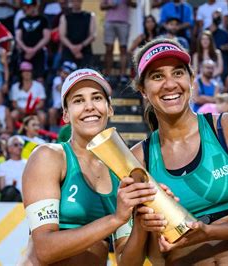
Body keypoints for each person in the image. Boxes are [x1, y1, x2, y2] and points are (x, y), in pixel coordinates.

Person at [121, 38, 228, 265]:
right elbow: (127, 262)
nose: (170, 84)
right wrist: (142, 226)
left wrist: (210, 232)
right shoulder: (137, 159)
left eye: (178, 73)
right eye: (157, 76)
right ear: (143, 90)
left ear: (192, 79)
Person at [19, 68, 157, 265]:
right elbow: (44, 249)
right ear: (65, 115)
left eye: (97, 98)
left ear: (110, 108)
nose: (89, 106)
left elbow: (127, 262)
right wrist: (116, 219)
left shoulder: (121, 171)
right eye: (78, 100)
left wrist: (141, 225)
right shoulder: (49, 157)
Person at [16, 0, 50, 81]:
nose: (25, 8)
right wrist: (26, 49)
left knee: (39, 79)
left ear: (35, 6)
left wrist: (34, 50)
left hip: (39, 54)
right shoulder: (22, 20)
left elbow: (46, 37)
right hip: (25, 54)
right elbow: (18, 37)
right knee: (24, 78)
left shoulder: (43, 19)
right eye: (24, 6)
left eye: (28, 7)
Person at [100, 0, 131, 83]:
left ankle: (123, 75)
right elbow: (101, 6)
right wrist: (110, 5)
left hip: (124, 22)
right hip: (109, 22)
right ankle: (107, 74)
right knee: (109, 48)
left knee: (123, 48)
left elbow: (134, 4)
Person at [59, 0, 97, 68]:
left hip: (85, 52)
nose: (76, 3)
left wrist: (80, 46)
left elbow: (93, 35)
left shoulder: (90, 16)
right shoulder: (64, 17)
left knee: (85, 76)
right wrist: (72, 48)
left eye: (78, 1)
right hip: (68, 52)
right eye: (74, 1)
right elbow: (62, 36)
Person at [10, 61, 46, 127]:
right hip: (20, 111)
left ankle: (41, 134)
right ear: (21, 73)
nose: (27, 73)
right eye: (24, 71)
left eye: (29, 71)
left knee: (42, 116)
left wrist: (34, 109)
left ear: (32, 72)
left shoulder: (39, 85)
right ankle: (15, 133)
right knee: (13, 115)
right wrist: (21, 109)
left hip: (35, 111)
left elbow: (41, 102)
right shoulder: (15, 86)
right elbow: (14, 103)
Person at [49, 61, 77, 133]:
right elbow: (60, 88)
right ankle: (54, 133)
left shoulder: (74, 81)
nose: (63, 74)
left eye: (66, 73)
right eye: (62, 72)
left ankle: (66, 133)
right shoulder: (57, 79)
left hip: (69, 106)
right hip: (57, 106)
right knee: (52, 112)